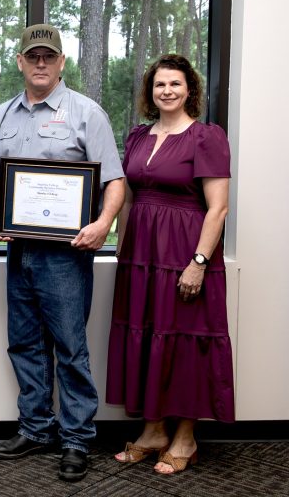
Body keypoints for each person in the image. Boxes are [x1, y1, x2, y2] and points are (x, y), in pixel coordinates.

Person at [0, 24, 125, 482]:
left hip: (66, 254)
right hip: (20, 250)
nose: (40, 63)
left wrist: (103, 225)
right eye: (32, 56)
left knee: (69, 347)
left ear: (61, 63)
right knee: (23, 342)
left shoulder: (86, 113)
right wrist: (7, 218)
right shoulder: (3, 114)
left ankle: (77, 437)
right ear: (20, 62)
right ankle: (36, 427)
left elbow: (114, 181)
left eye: (49, 56)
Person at [106, 54, 234, 474]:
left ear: (189, 89)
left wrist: (198, 261)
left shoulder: (206, 137)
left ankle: (185, 437)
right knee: (146, 337)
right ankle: (153, 430)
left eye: (175, 84)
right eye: (160, 85)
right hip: (141, 257)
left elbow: (218, 208)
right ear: (151, 91)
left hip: (184, 252)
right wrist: (123, 253)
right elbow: (126, 199)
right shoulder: (139, 136)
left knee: (184, 341)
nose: (167, 91)